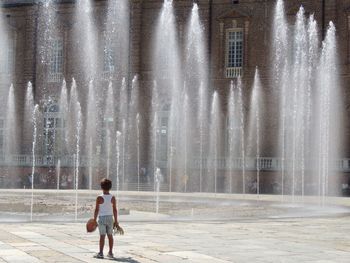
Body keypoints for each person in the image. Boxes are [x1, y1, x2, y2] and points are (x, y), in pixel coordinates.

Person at [93, 178, 119, 259]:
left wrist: (94, 220)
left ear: (101, 187)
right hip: (110, 218)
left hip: (102, 219)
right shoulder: (113, 197)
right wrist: (116, 221)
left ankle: (101, 253)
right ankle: (110, 252)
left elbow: (96, 210)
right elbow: (115, 209)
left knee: (102, 236)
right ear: (110, 187)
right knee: (110, 236)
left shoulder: (99, 197)